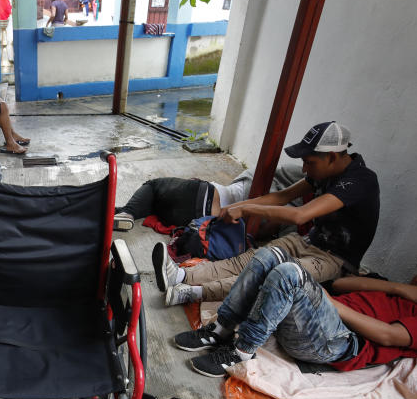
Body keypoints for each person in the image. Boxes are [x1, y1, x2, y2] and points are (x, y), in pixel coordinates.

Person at [153, 121, 380, 304]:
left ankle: (193, 293)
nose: (304, 169)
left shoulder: (360, 181)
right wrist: (230, 209)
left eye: (309, 162)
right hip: (308, 242)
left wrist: (246, 208)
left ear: (331, 156)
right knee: (250, 260)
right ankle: (181, 276)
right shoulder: (324, 172)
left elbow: (301, 215)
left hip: (334, 261)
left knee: (269, 276)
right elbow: (281, 197)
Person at [173, 251, 417, 378]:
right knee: (270, 255)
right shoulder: (396, 291)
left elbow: (387, 335)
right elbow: (344, 282)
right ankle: (222, 328)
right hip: (320, 320)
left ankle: (241, 351)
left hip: (337, 344)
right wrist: (400, 288)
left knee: (291, 273)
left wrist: (330, 304)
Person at [113, 164, 303, 231]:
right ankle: (123, 213)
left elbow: (254, 173)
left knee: (154, 186)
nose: (305, 166)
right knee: (155, 205)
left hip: (206, 196)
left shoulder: (287, 177)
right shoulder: (292, 220)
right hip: (204, 222)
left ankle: (128, 213)